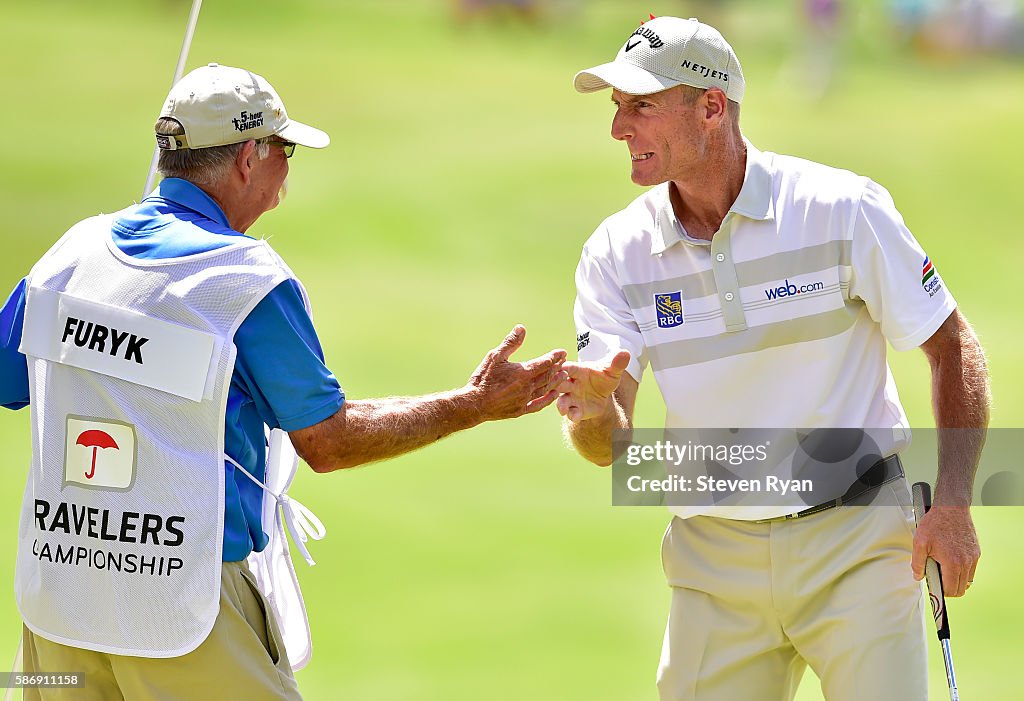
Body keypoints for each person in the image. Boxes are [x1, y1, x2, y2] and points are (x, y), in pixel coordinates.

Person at [0, 63, 566, 700]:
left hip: (56, 593)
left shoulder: (74, 249)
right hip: (180, 601)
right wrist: (472, 407)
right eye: (284, 151)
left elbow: (10, 379)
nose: (286, 174)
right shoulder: (243, 275)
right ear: (248, 157)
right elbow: (330, 441)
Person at [556, 16, 989, 701]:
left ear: (711, 106)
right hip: (713, 558)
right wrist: (589, 413)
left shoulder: (842, 208)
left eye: (640, 106)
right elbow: (609, 443)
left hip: (860, 539)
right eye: (617, 108)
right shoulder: (615, 253)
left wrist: (957, 504)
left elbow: (952, 345)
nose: (618, 128)